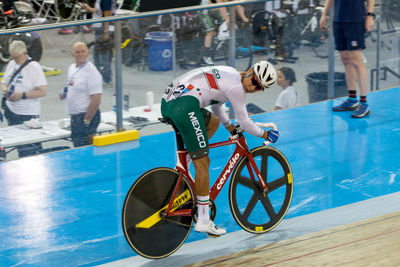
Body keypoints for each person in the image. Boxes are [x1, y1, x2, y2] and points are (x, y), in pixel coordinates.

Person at [161, 60, 278, 236]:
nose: (254, 88)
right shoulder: (237, 88)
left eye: (260, 88)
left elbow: (217, 106)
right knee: (203, 163)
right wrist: (266, 135)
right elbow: (245, 123)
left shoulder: (230, 73)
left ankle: (188, 159)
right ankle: (203, 220)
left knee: (212, 123)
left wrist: (229, 127)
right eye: (255, 82)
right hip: (184, 104)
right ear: (250, 71)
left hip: (171, 101)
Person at [320, 0, 375, 118]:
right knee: (345, 59)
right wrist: (324, 14)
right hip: (338, 19)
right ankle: (352, 99)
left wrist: (370, 15)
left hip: (355, 19)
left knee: (356, 61)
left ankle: (364, 102)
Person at [1, 40, 47, 157]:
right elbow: (4, 82)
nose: (14, 60)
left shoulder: (34, 67)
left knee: (31, 148)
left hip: (28, 113)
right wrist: (6, 89)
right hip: (12, 110)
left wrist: (22, 95)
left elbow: (42, 91)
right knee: (20, 146)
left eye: (16, 57)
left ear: (24, 53)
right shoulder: (12, 64)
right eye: (13, 57)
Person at [60, 42, 102, 147]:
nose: (80, 54)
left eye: (83, 51)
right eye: (77, 52)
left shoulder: (91, 72)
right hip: (76, 117)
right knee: (77, 146)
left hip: (85, 116)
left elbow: (96, 100)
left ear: (88, 53)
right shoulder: (72, 68)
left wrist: (86, 120)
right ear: (72, 54)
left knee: (83, 149)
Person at [198, 0, 249, 65]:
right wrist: (227, 20)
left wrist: (244, 18)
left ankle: (223, 45)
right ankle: (206, 55)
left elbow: (237, 4)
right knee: (210, 32)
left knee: (227, 23)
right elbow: (221, 5)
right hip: (204, 11)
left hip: (215, 9)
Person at [80, 0, 116, 87]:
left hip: (103, 30)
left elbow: (107, 15)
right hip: (99, 29)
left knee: (104, 56)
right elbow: (99, 12)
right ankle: (97, 78)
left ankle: (107, 80)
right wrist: (88, 8)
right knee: (96, 55)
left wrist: (106, 32)